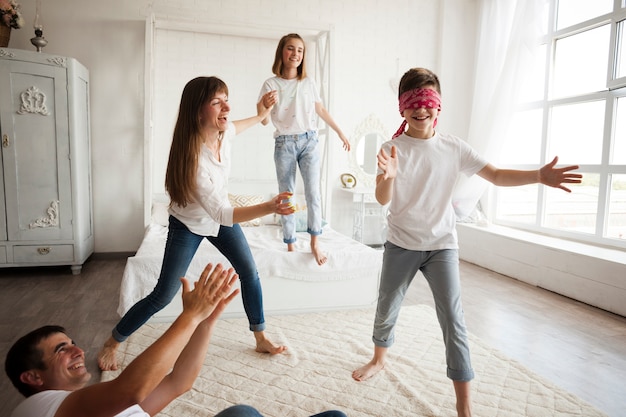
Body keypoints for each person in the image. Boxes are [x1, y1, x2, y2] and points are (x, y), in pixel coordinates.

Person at [351, 67, 583, 417]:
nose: (421, 109)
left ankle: (464, 403)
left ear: (438, 106)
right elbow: (382, 198)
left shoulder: (453, 147)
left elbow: (496, 175)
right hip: (401, 243)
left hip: (442, 244)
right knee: (386, 307)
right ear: (402, 107)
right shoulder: (392, 148)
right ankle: (379, 358)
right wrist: (388, 176)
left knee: (454, 320)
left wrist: (538, 176)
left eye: (428, 101)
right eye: (413, 102)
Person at [98, 76, 295, 372]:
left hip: (217, 216)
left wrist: (262, 114)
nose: (226, 106)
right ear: (198, 111)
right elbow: (224, 215)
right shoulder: (193, 162)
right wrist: (269, 207)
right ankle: (112, 342)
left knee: (249, 272)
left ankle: (260, 336)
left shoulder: (224, 131)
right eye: (217, 102)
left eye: (226, 98)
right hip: (188, 224)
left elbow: (240, 125)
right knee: (163, 294)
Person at [5, 263, 347, 417]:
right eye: (61, 349)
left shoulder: (97, 405)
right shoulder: (37, 408)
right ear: (33, 377)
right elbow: (130, 390)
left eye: (72, 342)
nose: (78, 350)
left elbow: (178, 382)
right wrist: (189, 316)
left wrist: (206, 323)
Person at [258, 33, 351, 266]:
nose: (296, 54)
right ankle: (290, 243)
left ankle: (314, 243)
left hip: (310, 141)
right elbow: (263, 120)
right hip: (284, 144)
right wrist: (266, 106)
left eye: (300, 50)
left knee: (313, 193)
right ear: (282, 52)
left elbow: (320, 111)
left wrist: (339, 131)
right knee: (286, 195)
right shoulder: (271, 84)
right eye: (291, 49)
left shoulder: (308, 83)